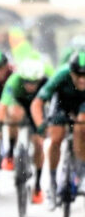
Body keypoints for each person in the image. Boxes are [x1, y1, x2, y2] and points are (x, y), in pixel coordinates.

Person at [31, 50, 85, 205]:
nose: (82, 80)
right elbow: (37, 102)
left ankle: (80, 171)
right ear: (71, 72)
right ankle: (53, 180)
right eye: (78, 75)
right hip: (62, 104)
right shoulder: (61, 75)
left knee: (81, 126)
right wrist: (40, 125)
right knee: (56, 137)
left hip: (82, 105)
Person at [0, 58, 47, 204]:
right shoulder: (14, 81)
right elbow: (3, 104)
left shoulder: (46, 82)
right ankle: (10, 153)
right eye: (26, 82)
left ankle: (37, 186)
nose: (30, 85)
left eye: (34, 82)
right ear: (21, 78)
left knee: (39, 144)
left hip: (37, 107)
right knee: (13, 114)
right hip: (20, 103)